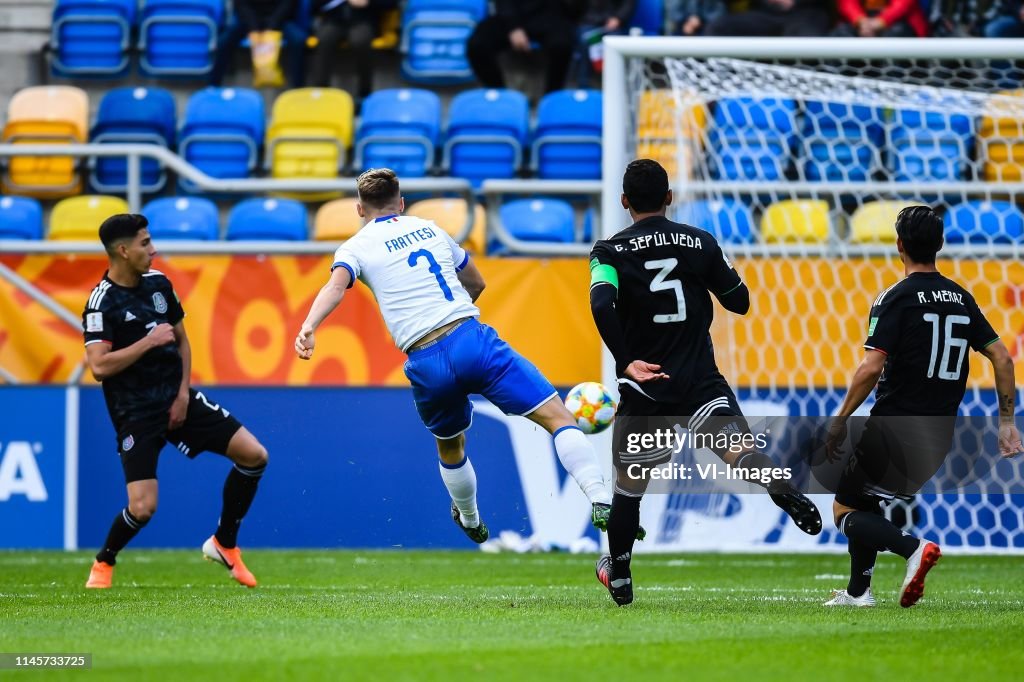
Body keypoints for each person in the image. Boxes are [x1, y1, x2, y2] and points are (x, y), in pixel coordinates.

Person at [295, 168, 625, 544]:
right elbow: (477, 282)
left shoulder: (355, 247)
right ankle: (599, 496)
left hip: (425, 359)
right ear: (400, 204)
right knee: (557, 417)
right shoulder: (430, 229)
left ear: (359, 209)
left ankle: (469, 517)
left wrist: (309, 325)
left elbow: (336, 286)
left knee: (451, 445)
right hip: (470, 338)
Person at [589, 159, 822, 607]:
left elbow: (602, 303)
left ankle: (618, 574)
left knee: (629, 486)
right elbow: (740, 302)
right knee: (738, 451)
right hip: (699, 380)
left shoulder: (609, 251)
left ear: (624, 202)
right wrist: (710, 269)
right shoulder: (700, 241)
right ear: (669, 197)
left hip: (646, 387)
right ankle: (781, 487)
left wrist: (626, 362)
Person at [823, 206, 1022, 608]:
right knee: (867, 500)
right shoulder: (960, 298)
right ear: (940, 245)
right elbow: (1002, 357)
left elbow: (870, 367)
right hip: (939, 434)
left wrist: (839, 419)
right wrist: (1007, 423)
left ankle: (913, 548)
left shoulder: (895, 298)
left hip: (894, 427)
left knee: (845, 509)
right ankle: (858, 593)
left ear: (899, 245)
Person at [82, 214, 269, 589]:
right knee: (143, 508)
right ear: (123, 250)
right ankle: (104, 561)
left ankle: (224, 544)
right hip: (134, 411)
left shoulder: (159, 284)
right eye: (145, 243)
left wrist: (183, 394)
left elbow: (182, 341)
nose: (153, 250)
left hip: (177, 397)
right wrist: (147, 342)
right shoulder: (100, 303)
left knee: (254, 456)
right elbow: (99, 366)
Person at [466, 0, 583, 95]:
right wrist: (513, 27)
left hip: (551, 16)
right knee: (478, 44)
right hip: (512, 15)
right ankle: (500, 94)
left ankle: (551, 98)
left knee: (562, 45)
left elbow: (574, 11)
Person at [310, 0, 399, 100]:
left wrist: (368, 2)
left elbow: (392, 3)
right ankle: (320, 93)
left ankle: (364, 95)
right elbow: (314, 5)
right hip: (334, 21)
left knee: (361, 41)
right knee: (325, 39)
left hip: (363, 21)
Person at [210, 0, 307, 87]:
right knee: (224, 41)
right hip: (250, 21)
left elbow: (288, 4)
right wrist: (254, 27)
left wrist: (272, 26)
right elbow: (241, 5)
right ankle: (213, 86)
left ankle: (298, 89)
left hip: (280, 21)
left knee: (298, 40)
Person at [705, 0, 832, 37]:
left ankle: (802, 98)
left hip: (808, 13)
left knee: (805, 43)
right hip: (765, 14)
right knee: (720, 28)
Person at [833, 0, 928, 37]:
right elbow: (847, 4)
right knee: (842, 34)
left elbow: (903, 5)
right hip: (861, 23)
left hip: (898, 22)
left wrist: (881, 22)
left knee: (896, 35)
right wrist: (861, 22)